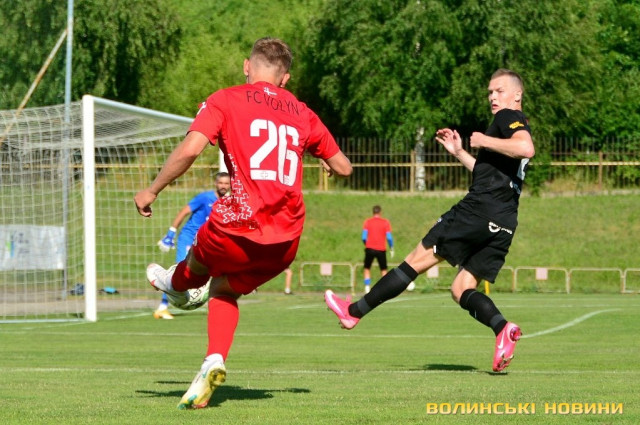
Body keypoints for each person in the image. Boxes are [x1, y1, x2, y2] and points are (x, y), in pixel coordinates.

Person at [134, 37, 352, 409]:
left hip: (239, 223)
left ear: (247, 67)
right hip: (285, 239)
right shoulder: (303, 113)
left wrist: (152, 189)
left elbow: (190, 149)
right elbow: (344, 167)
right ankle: (213, 360)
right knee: (223, 289)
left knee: (196, 266)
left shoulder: (226, 99)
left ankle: (174, 284)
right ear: (286, 78)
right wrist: (323, 160)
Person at [325, 69, 534, 373]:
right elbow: (491, 174)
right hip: (504, 221)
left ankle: (353, 312)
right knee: (461, 288)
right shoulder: (511, 125)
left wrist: (484, 140)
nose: (493, 97)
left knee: (414, 261)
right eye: (490, 92)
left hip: (477, 211)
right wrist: (460, 152)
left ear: (517, 95)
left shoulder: (507, 117)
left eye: (499, 91)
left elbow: (526, 147)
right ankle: (503, 328)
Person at [152, 172, 231, 319]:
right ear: (216, 183)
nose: (223, 186)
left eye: (226, 183)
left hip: (206, 242)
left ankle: (213, 305)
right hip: (189, 239)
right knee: (181, 272)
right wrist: (171, 233)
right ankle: (162, 307)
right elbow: (183, 212)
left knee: (213, 272)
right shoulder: (204, 198)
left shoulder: (228, 203)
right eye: (221, 183)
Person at [361, 205, 394, 294]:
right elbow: (389, 237)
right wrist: (391, 247)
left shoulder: (367, 222)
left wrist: (367, 244)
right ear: (380, 212)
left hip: (369, 248)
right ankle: (385, 288)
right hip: (381, 249)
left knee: (367, 268)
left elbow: (363, 237)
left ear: (373, 212)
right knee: (383, 269)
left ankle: (367, 287)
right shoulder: (385, 222)